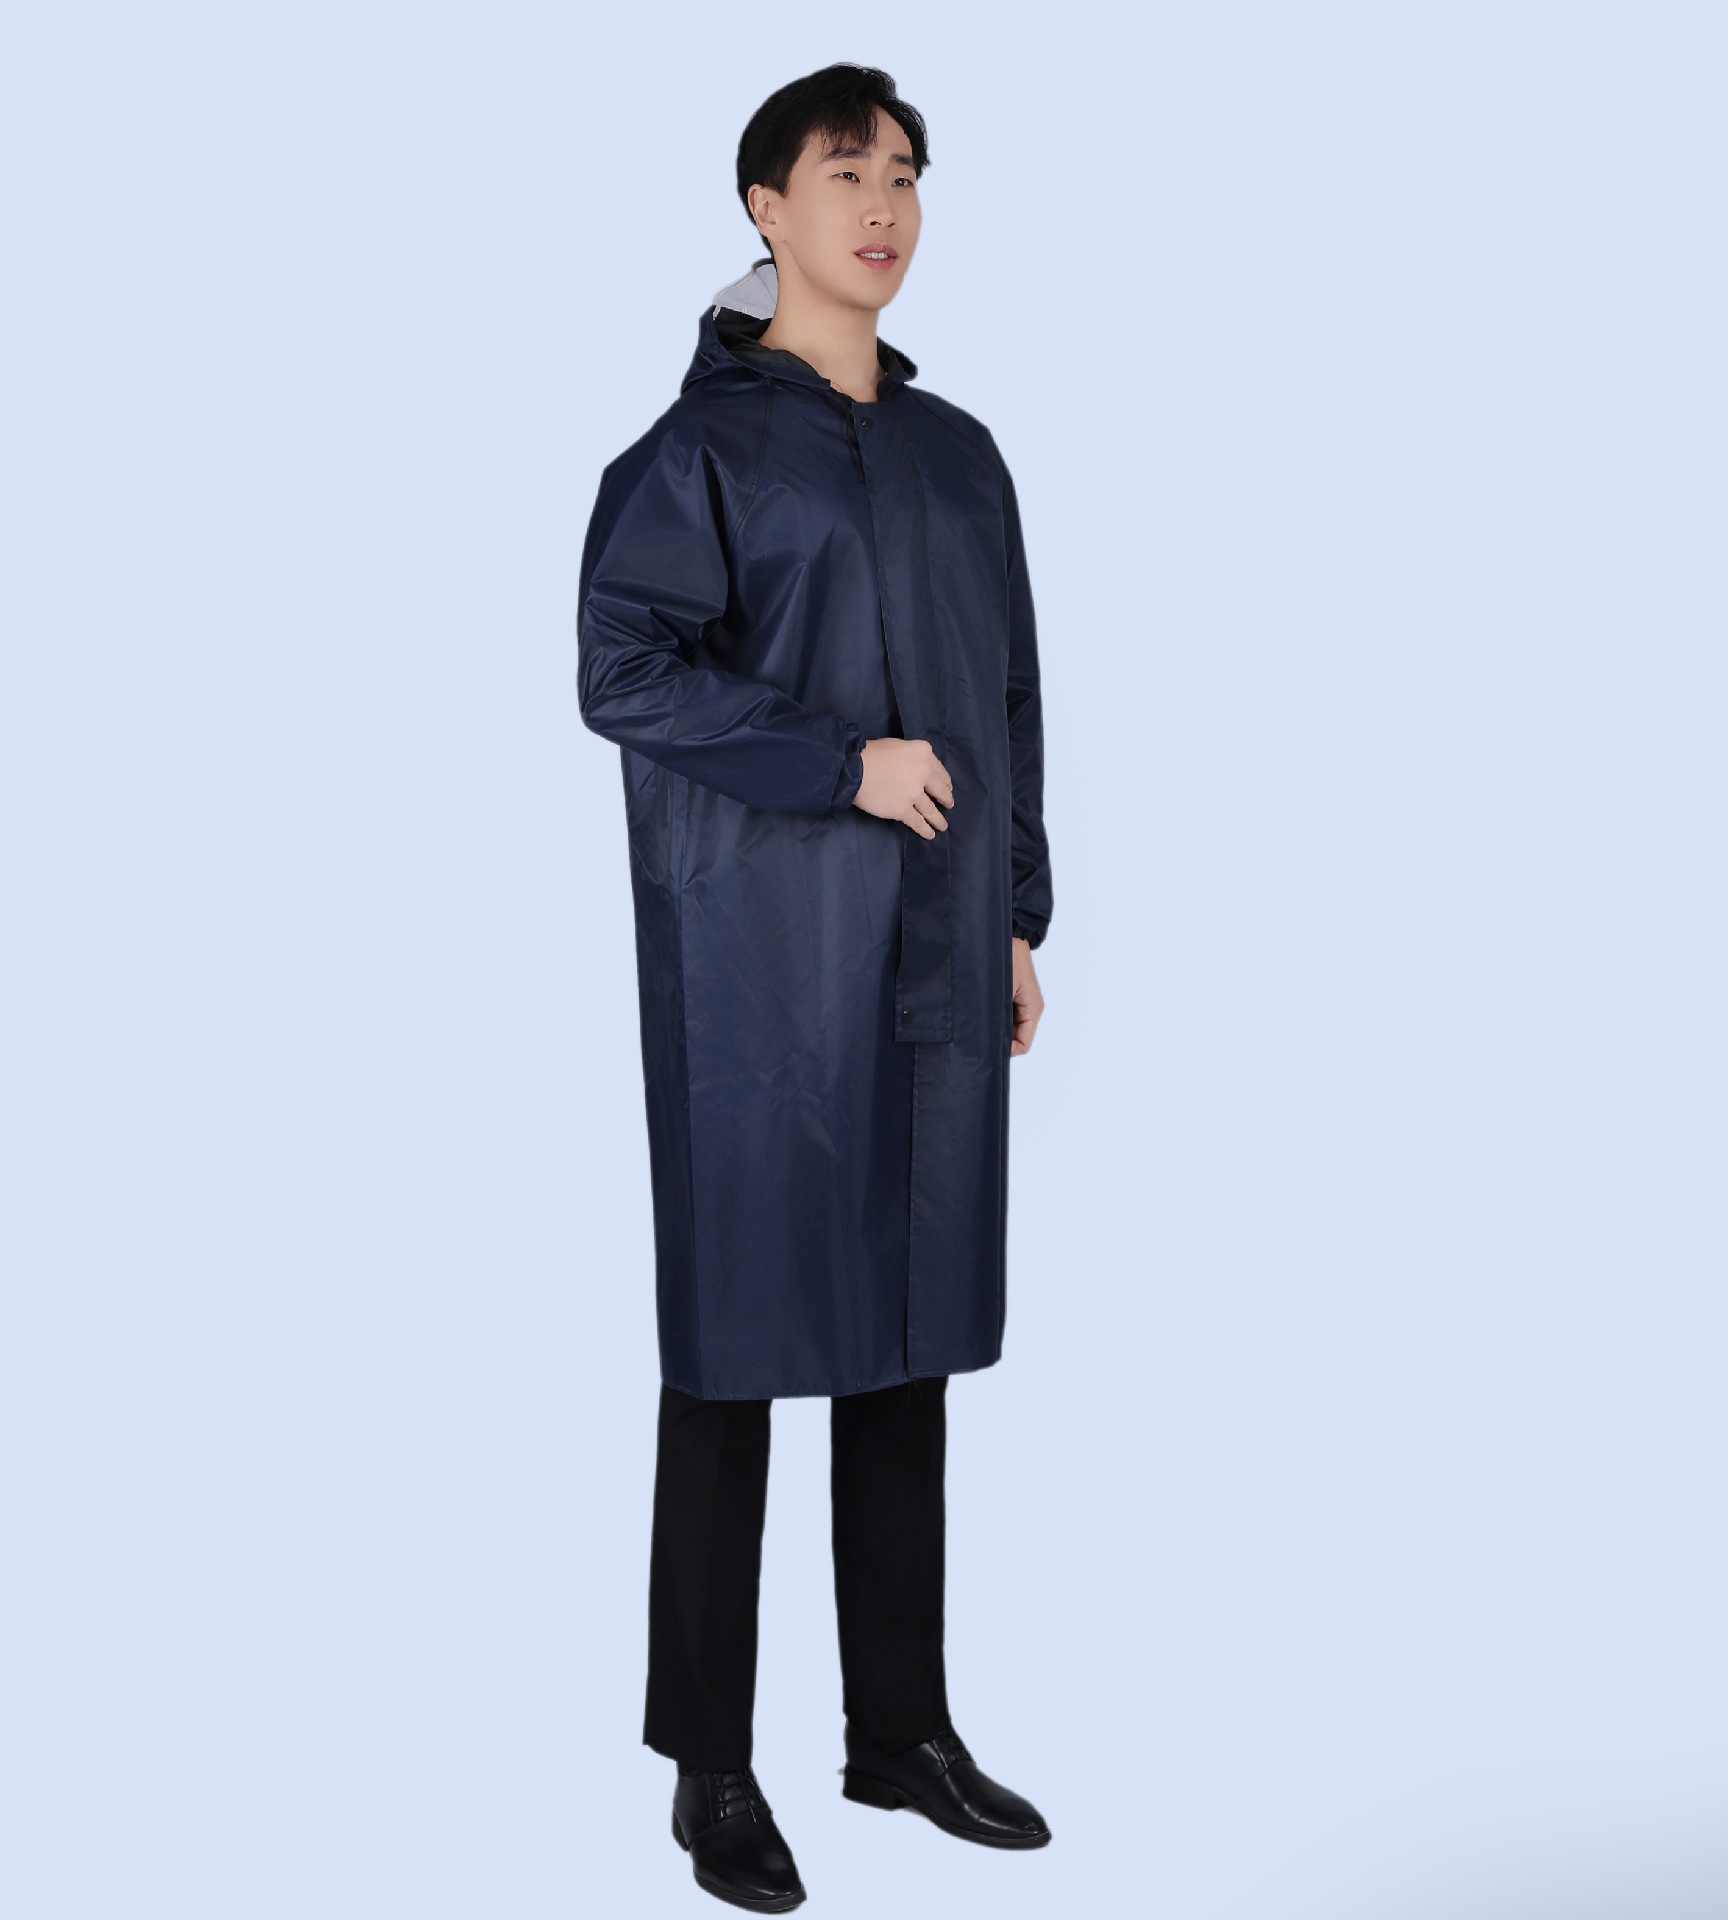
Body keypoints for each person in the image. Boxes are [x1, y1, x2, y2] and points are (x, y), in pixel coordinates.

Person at [575, 63, 1054, 1913]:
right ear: (764, 207)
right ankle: (711, 1764)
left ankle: (898, 1731)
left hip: (935, 948)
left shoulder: (960, 457)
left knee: (905, 1329)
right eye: (846, 172)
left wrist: (1014, 912)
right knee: (739, 1352)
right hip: (762, 962)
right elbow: (625, 668)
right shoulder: (695, 457)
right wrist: (836, 763)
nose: (885, 206)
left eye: (908, 174)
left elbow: (1008, 701)